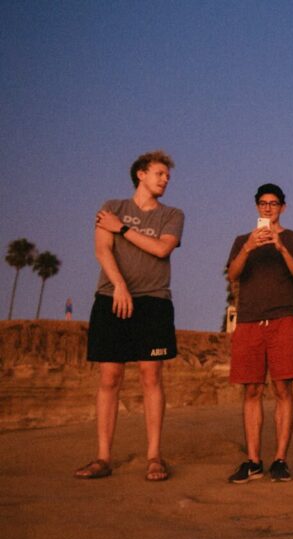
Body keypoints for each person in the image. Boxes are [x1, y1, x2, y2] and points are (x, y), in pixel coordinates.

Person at [75, 150, 184, 481]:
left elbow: (161, 249)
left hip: (154, 302)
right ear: (141, 174)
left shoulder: (172, 214)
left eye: (167, 176)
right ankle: (103, 457)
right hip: (112, 298)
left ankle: (154, 456)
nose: (165, 180)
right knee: (110, 378)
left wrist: (121, 229)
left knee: (151, 376)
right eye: (159, 173)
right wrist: (120, 285)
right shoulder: (112, 207)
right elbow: (101, 250)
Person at [225, 184, 293, 483]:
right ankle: (253, 460)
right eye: (263, 203)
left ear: (282, 207)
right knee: (251, 390)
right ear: (256, 207)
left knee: (283, 389)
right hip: (249, 321)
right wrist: (249, 247)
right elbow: (232, 275)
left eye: (273, 203)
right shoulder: (241, 241)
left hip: (283, 320)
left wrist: (280, 245)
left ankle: (280, 459)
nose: (268, 208)